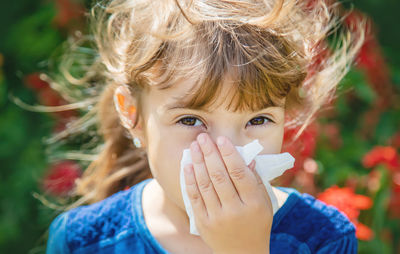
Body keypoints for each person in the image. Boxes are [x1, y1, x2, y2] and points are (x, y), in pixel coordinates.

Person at [45, 0, 365, 253]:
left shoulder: (322, 239)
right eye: (191, 120)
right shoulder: (80, 242)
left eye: (258, 120)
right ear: (133, 115)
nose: (229, 152)